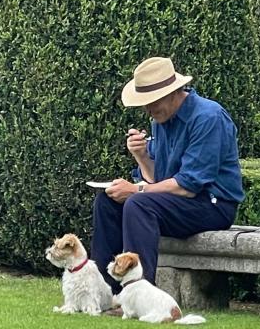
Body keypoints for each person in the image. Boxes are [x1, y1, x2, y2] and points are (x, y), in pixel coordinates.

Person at [91, 56, 244, 293]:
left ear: (175, 91)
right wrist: (141, 156)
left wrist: (135, 189)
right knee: (108, 201)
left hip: (213, 205)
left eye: (153, 101)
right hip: (178, 203)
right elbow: (157, 181)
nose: (149, 110)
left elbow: (188, 186)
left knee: (138, 204)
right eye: (145, 102)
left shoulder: (208, 117)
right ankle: (106, 293)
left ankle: (140, 294)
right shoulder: (160, 120)